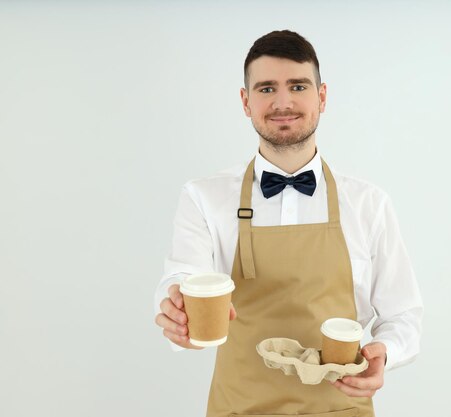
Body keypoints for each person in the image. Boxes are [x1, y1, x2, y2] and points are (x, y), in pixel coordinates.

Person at [154, 29, 423, 417]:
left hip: (342, 409)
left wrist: (387, 352)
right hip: (238, 409)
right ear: (245, 102)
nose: (283, 102)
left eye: (298, 86)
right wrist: (177, 310)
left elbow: (403, 315)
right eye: (266, 89)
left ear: (323, 96)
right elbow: (181, 277)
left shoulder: (368, 204)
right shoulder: (203, 198)